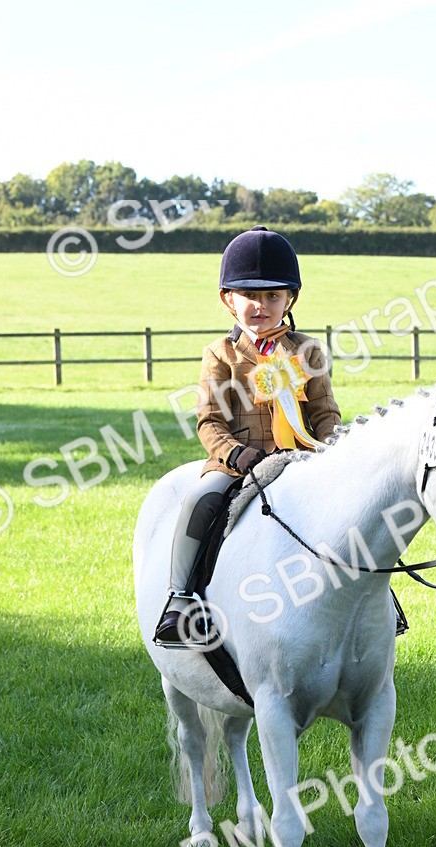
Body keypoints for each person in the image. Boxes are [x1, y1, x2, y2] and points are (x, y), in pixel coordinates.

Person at [155, 225, 341, 646]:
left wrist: (332, 452)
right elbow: (208, 420)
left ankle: (378, 597)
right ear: (228, 299)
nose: (261, 306)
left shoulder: (307, 350)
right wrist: (236, 455)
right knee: (199, 500)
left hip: (300, 460)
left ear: (289, 299)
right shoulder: (220, 354)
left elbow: (325, 412)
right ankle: (181, 599)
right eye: (250, 296)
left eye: (273, 296)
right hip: (239, 465)